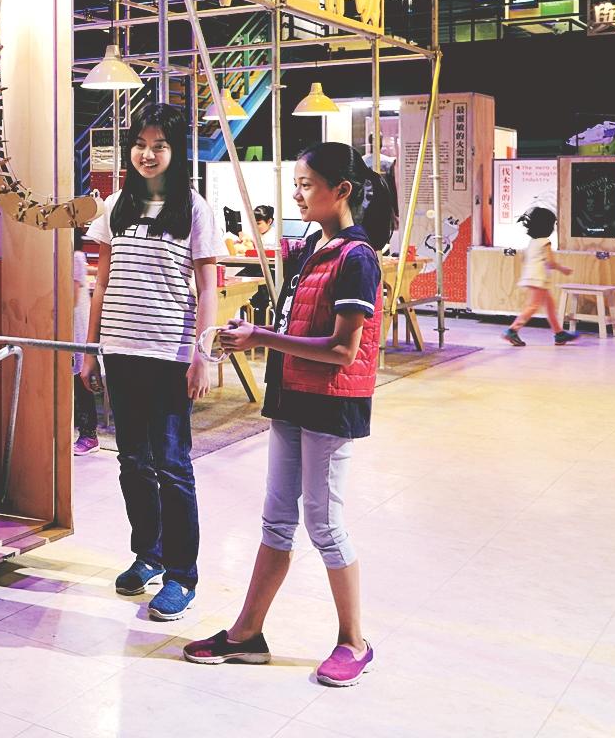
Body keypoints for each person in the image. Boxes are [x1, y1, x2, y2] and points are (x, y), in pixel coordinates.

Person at [181, 143, 391, 688]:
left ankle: (355, 642)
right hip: (293, 395)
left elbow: (343, 350)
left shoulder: (357, 258)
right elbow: (294, 327)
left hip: (331, 401)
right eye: (296, 183)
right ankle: (246, 634)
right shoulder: (306, 249)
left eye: (306, 184)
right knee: (277, 519)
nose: (296, 193)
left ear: (341, 190)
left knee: (324, 523)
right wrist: (241, 338)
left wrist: (261, 337)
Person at [79, 103, 223, 621]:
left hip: (169, 354)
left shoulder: (195, 208)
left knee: (173, 465)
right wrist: (92, 349)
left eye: (159, 145)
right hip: (120, 352)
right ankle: (148, 555)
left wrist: (201, 355)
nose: (147, 153)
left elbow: (208, 288)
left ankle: (182, 575)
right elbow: (101, 284)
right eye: (140, 144)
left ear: (175, 152)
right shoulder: (114, 206)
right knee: (132, 462)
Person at [503, 206, 577, 346]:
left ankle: (559, 333)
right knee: (533, 306)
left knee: (549, 306)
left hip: (532, 277)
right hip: (539, 279)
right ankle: (513, 329)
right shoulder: (545, 242)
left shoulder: (533, 242)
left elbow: (526, 259)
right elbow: (550, 262)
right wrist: (563, 269)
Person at [73, 236, 103, 453]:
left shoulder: (74, 256)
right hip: (69, 329)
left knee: (80, 383)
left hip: (75, 329)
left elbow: (71, 298)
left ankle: (88, 434)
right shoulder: (72, 257)